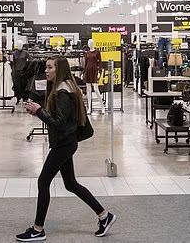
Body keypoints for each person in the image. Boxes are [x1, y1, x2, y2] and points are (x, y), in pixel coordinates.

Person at [16, 57, 116, 241]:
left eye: (49, 67)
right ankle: (104, 216)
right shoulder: (66, 88)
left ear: (59, 69)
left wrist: (39, 111)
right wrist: (39, 112)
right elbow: (60, 120)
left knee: (43, 182)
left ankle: (38, 230)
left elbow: (59, 124)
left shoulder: (62, 92)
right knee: (70, 184)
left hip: (63, 144)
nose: (46, 71)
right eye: (46, 67)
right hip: (66, 142)